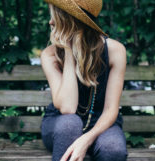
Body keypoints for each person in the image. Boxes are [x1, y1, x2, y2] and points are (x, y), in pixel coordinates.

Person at [40, 0, 127, 160]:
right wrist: (68, 50)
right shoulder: (49, 55)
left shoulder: (115, 51)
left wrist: (86, 140)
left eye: (55, 16)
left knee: (113, 149)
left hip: (100, 123)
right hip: (60, 123)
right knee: (70, 124)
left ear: (70, 20)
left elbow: (110, 110)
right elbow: (67, 108)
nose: (50, 21)